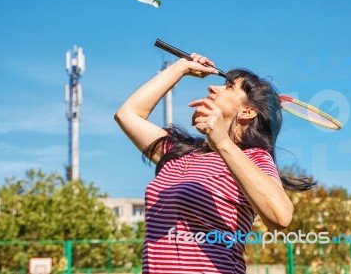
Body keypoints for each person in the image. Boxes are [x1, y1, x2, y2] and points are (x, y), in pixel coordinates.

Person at [114, 53, 314, 274]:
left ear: (247, 111)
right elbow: (127, 114)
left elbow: (281, 216)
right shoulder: (179, 154)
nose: (212, 88)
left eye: (228, 87)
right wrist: (180, 68)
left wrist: (221, 141)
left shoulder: (252, 158)